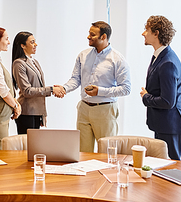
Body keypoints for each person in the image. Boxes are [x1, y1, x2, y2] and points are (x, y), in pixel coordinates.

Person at [55, 21, 131, 152]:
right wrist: (64, 88)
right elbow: (76, 79)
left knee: (107, 152)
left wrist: (99, 91)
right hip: (84, 109)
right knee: (82, 153)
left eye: (92, 34)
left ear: (103, 37)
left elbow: (125, 88)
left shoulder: (118, 59)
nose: (88, 37)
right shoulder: (83, 55)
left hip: (105, 110)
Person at [140, 15, 181, 160]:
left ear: (156, 33)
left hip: (169, 123)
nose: (143, 33)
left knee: (171, 166)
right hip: (163, 122)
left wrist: (145, 97)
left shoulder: (168, 62)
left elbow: (168, 101)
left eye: (146, 30)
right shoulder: (160, 56)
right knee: (162, 166)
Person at [11, 31, 65, 134]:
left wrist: (42, 114)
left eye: (35, 42)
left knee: (34, 147)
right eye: (32, 42)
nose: (35, 44)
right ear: (22, 45)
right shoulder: (19, 63)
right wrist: (52, 89)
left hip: (36, 112)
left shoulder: (34, 62)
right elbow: (27, 91)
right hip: (27, 113)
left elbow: (38, 87)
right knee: (28, 147)